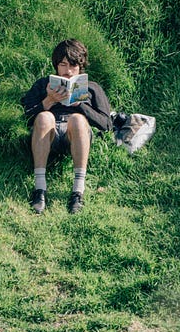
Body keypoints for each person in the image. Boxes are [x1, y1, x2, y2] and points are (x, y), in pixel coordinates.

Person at [20, 38, 112, 214]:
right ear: (56, 65)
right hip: (49, 134)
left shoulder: (91, 88)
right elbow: (26, 116)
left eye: (73, 65)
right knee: (45, 117)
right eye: (63, 65)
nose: (68, 71)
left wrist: (80, 104)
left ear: (80, 67)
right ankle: (40, 189)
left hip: (77, 135)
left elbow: (106, 124)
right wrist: (48, 101)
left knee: (76, 120)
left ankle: (78, 191)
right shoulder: (43, 84)